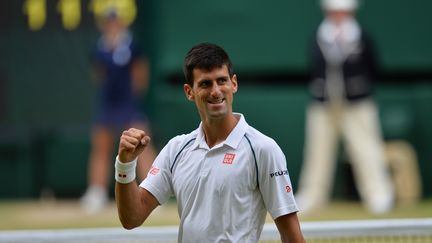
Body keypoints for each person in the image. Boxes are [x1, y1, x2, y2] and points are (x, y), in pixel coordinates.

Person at [114, 43, 305, 242]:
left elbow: (292, 235)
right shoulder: (176, 149)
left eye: (221, 81)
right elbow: (132, 219)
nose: (216, 91)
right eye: (205, 84)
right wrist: (125, 164)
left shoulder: (263, 149)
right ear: (189, 91)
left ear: (234, 84)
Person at [295, 0, 394, 214]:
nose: (338, 15)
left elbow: (374, 68)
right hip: (323, 105)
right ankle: (312, 196)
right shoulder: (319, 36)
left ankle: (378, 195)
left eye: (343, 11)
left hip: (357, 104)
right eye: (334, 11)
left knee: (367, 149)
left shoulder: (362, 37)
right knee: (317, 151)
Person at [80, 8, 157, 214]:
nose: (112, 25)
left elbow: (140, 74)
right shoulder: (99, 48)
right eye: (109, 22)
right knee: (101, 146)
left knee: (142, 145)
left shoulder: (132, 45)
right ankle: (96, 193)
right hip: (107, 105)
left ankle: (152, 191)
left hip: (129, 104)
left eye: (115, 22)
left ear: (121, 23)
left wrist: (133, 98)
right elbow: (98, 74)